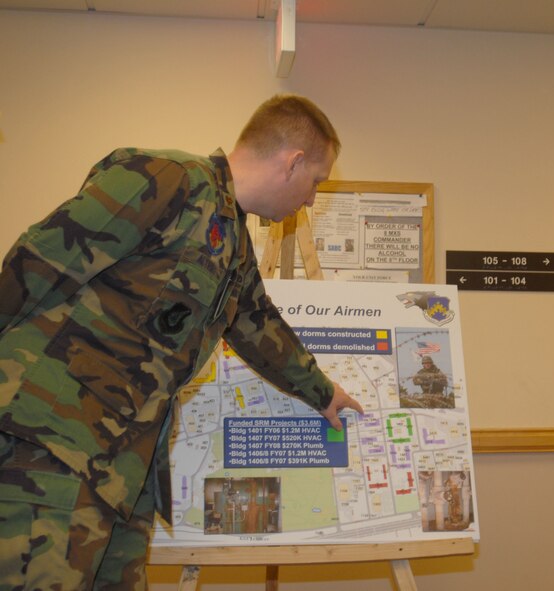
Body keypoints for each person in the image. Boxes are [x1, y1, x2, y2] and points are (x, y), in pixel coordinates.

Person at [0, 94, 364, 589]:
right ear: (292, 162)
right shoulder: (166, 178)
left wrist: (323, 393)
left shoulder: (231, 239)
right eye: (315, 182)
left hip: (122, 471)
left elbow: (258, 323)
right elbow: (38, 263)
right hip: (51, 445)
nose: (311, 200)